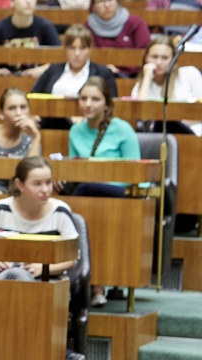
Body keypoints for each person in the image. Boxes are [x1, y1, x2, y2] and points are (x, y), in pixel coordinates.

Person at [0, 156, 87, 360]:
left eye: (48, 182)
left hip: (48, 286)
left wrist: (44, 265)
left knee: (23, 281)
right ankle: (49, 354)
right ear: (19, 184)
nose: (45, 189)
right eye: (37, 183)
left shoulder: (60, 212)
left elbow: (72, 257)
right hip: (1, 284)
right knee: (16, 277)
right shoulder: (1, 209)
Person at [68, 76, 140, 306]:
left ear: (107, 104)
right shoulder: (75, 132)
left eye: (95, 99)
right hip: (87, 195)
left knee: (82, 193)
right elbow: (74, 169)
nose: (88, 104)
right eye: (84, 98)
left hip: (123, 195)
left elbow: (136, 175)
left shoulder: (123, 129)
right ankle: (91, 283)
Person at [30, 24, 118, 129]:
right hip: (49, 126)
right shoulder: (53, 69)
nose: (77, 53)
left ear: (90, 49)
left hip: (87, 127)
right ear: (65, 48)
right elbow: (32, 97)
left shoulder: (103, 73)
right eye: (72, 48)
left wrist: (88, 118)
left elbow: (111, 106)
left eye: (82, 48)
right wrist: (33, 115)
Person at [0, 0, 62, 77]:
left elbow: (61, 58)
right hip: (6, 82)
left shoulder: (45, 27)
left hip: (37, 81)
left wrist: (39, 71)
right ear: (12, 2)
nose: (28, 2)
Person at [132, 35, 202, 134]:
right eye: (154, 57)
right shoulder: (142, 86)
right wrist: (147, 77)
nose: (159, 62)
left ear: (173, 59)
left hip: (191, 135)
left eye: (165, 58)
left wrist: (175, 122)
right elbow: (141, 116)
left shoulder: (190, 74)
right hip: (156, 137)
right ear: (146, 58)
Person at [85, 0, 150, 77]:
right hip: (97, 76)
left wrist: (119, 70)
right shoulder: (86, 28)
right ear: (93, 6)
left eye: (110, 0)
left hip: (132, 76)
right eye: (100, 1)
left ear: (117, 2)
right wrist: (104, 68)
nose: (107, 5)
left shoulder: (136, 23)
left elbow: (145, 54)